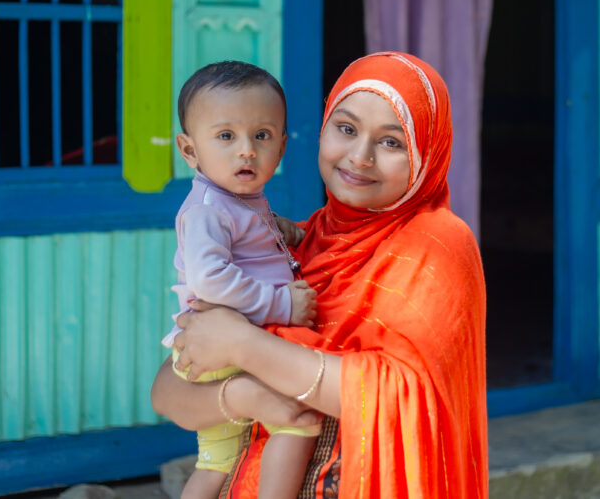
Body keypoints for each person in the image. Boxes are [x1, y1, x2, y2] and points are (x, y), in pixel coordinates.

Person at [152, 52, 489, 498]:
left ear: (427, 151)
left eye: (391, 142)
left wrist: (244, 344)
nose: (360, 157)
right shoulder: (298, 244)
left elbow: (407, 398)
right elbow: (168, 392)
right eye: (346, 129)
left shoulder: (436, 244)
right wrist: (244, 398)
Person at [163, 60, 321, 499]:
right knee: (295, 423)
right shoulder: (205, 211)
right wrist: (282, 305)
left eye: (262, 136)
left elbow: (248, 242)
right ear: (189, 150)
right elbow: (211, 281)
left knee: (216, 462)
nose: (246, 150)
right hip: (224, 345)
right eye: (226, 136)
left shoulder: (239, 201)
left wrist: (282, 230)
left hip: (224, 349)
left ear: (282, 147)